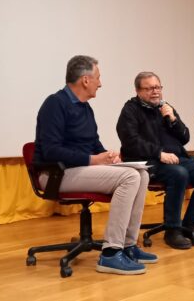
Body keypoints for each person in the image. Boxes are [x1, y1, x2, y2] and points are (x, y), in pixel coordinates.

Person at [34, 55, 157, 275]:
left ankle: (128, 246)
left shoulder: (85, 108)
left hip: (79, 169)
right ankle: (110, 254)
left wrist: (108, 156)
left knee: (142, 173)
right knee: (129, 177)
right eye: (98, 78)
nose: (100, 83)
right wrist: (92, 160)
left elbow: (92, 143)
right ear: (85, 80)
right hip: (54, 173)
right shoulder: (55, 103)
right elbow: (51, 150)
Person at [116, 71, 194, 250]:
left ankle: (190, 222)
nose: (155, 92)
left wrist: (172, 118)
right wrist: (159, 153)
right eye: (149, 88)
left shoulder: (165, 107)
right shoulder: (130, 110)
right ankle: (172, 230)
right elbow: (130, 141)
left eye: (158, 87)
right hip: (147, 162)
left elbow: (185, 137)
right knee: (178, 174)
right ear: (138, 91)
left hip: (176, 158)